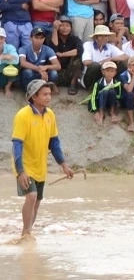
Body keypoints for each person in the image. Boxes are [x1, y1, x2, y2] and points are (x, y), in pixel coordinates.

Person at [13, 79, 75, 241]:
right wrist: (20, 171)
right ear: (34, 96)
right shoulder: (22, 116)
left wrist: (64, 165)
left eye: (49, 94)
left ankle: (28, 233)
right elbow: (17, 144)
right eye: (44, 94)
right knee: (32, 196)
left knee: (37, 201)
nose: (49, 97)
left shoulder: (50, 115)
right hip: (25, 165)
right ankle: (25, 233)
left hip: (40, 165)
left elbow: (54, 142)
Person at [81, 25, 129, 90]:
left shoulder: (110, 46)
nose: (104, 38)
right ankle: (92, 89)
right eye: (101, 36)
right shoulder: (88, 45)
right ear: (96, 37)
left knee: (123, 64)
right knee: (95, 66)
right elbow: (86, 62)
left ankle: (117, 87)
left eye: (106, 36)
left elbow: (126, 57)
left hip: (105, 75)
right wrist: (102, 63)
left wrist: (110, 59)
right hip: (90, 78)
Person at [17, 27, 60, 93]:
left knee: (54, 73)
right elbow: (23, 63)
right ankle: (29, 91)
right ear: (30, 38)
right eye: (36, 37)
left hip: (43, 74)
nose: (39, 40)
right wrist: (38, 69)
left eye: (41, 38)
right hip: (32, 74)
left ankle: (49, 87)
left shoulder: (48, 49)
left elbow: (58, 66)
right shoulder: (24, 49)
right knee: (28, 72)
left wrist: (46, 67)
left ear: (44, 39)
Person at [49, 16, 84, 94]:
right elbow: (54, 49)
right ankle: (54, 84)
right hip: (57, 72)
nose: (65, 28)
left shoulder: (74, 39)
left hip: (70, 72)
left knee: (77, 58)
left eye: (67, 26)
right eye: (62, 25)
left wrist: (62, 54)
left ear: (71, 28)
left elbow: (79, 51)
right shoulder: (52, 37)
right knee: (53, 58)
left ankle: (73, 83)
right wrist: (55, 30)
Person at [87, 61, 122, 126]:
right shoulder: (98, 83)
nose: (109, 73)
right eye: (107, 71)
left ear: (115, 73)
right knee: (104, 92)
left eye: (112, 71)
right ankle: (101, 113)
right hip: (100, 102)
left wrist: (112, 96)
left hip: (110, 102)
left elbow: (119, 96)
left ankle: (112, 112)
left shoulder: (117, 83)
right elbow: (93, 97)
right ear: (103, 72)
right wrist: (96, 111)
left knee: (112, 91)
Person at [0, 28, 21, 97]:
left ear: (4, 39)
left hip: (5, 74)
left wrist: (2, 59)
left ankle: (7, 87)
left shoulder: (10, 47)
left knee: (15, 66)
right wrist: (3, 57)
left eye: (1, 38)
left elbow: (16, 61)